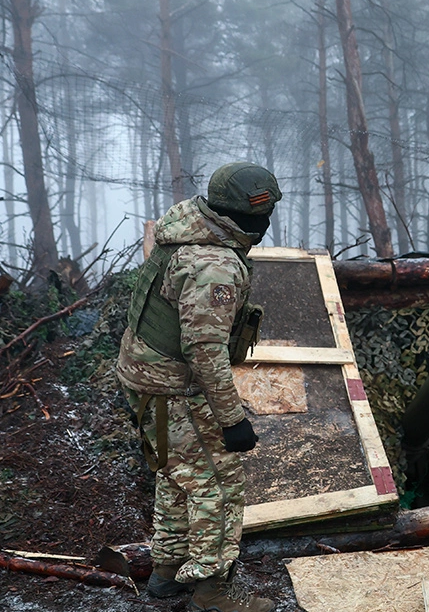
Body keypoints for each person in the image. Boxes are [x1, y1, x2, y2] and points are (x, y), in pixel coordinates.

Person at [116, 162, 281, 612]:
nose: (264, 226)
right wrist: (233, 420)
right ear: (241, 217)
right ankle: (213, 591)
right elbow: (204, 352)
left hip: (149, 381)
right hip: (173, 387)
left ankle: (167, 570)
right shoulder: (213, 265)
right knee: (220, 485)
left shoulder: (188, 231)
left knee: (179, 473)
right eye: (260, 217)